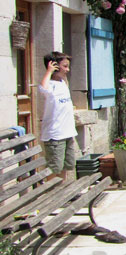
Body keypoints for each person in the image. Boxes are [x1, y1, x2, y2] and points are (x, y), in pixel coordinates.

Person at [38, 51, 77, 180]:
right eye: (65, 66)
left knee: (66, 166)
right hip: (55, 135)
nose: (67, 69)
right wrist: (49, 72)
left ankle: (63, 192)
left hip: (67, 132)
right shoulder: (50, 85)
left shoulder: (62, 83)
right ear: (54, 66)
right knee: (54, 168)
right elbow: (42, 88)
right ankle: (50, 194)